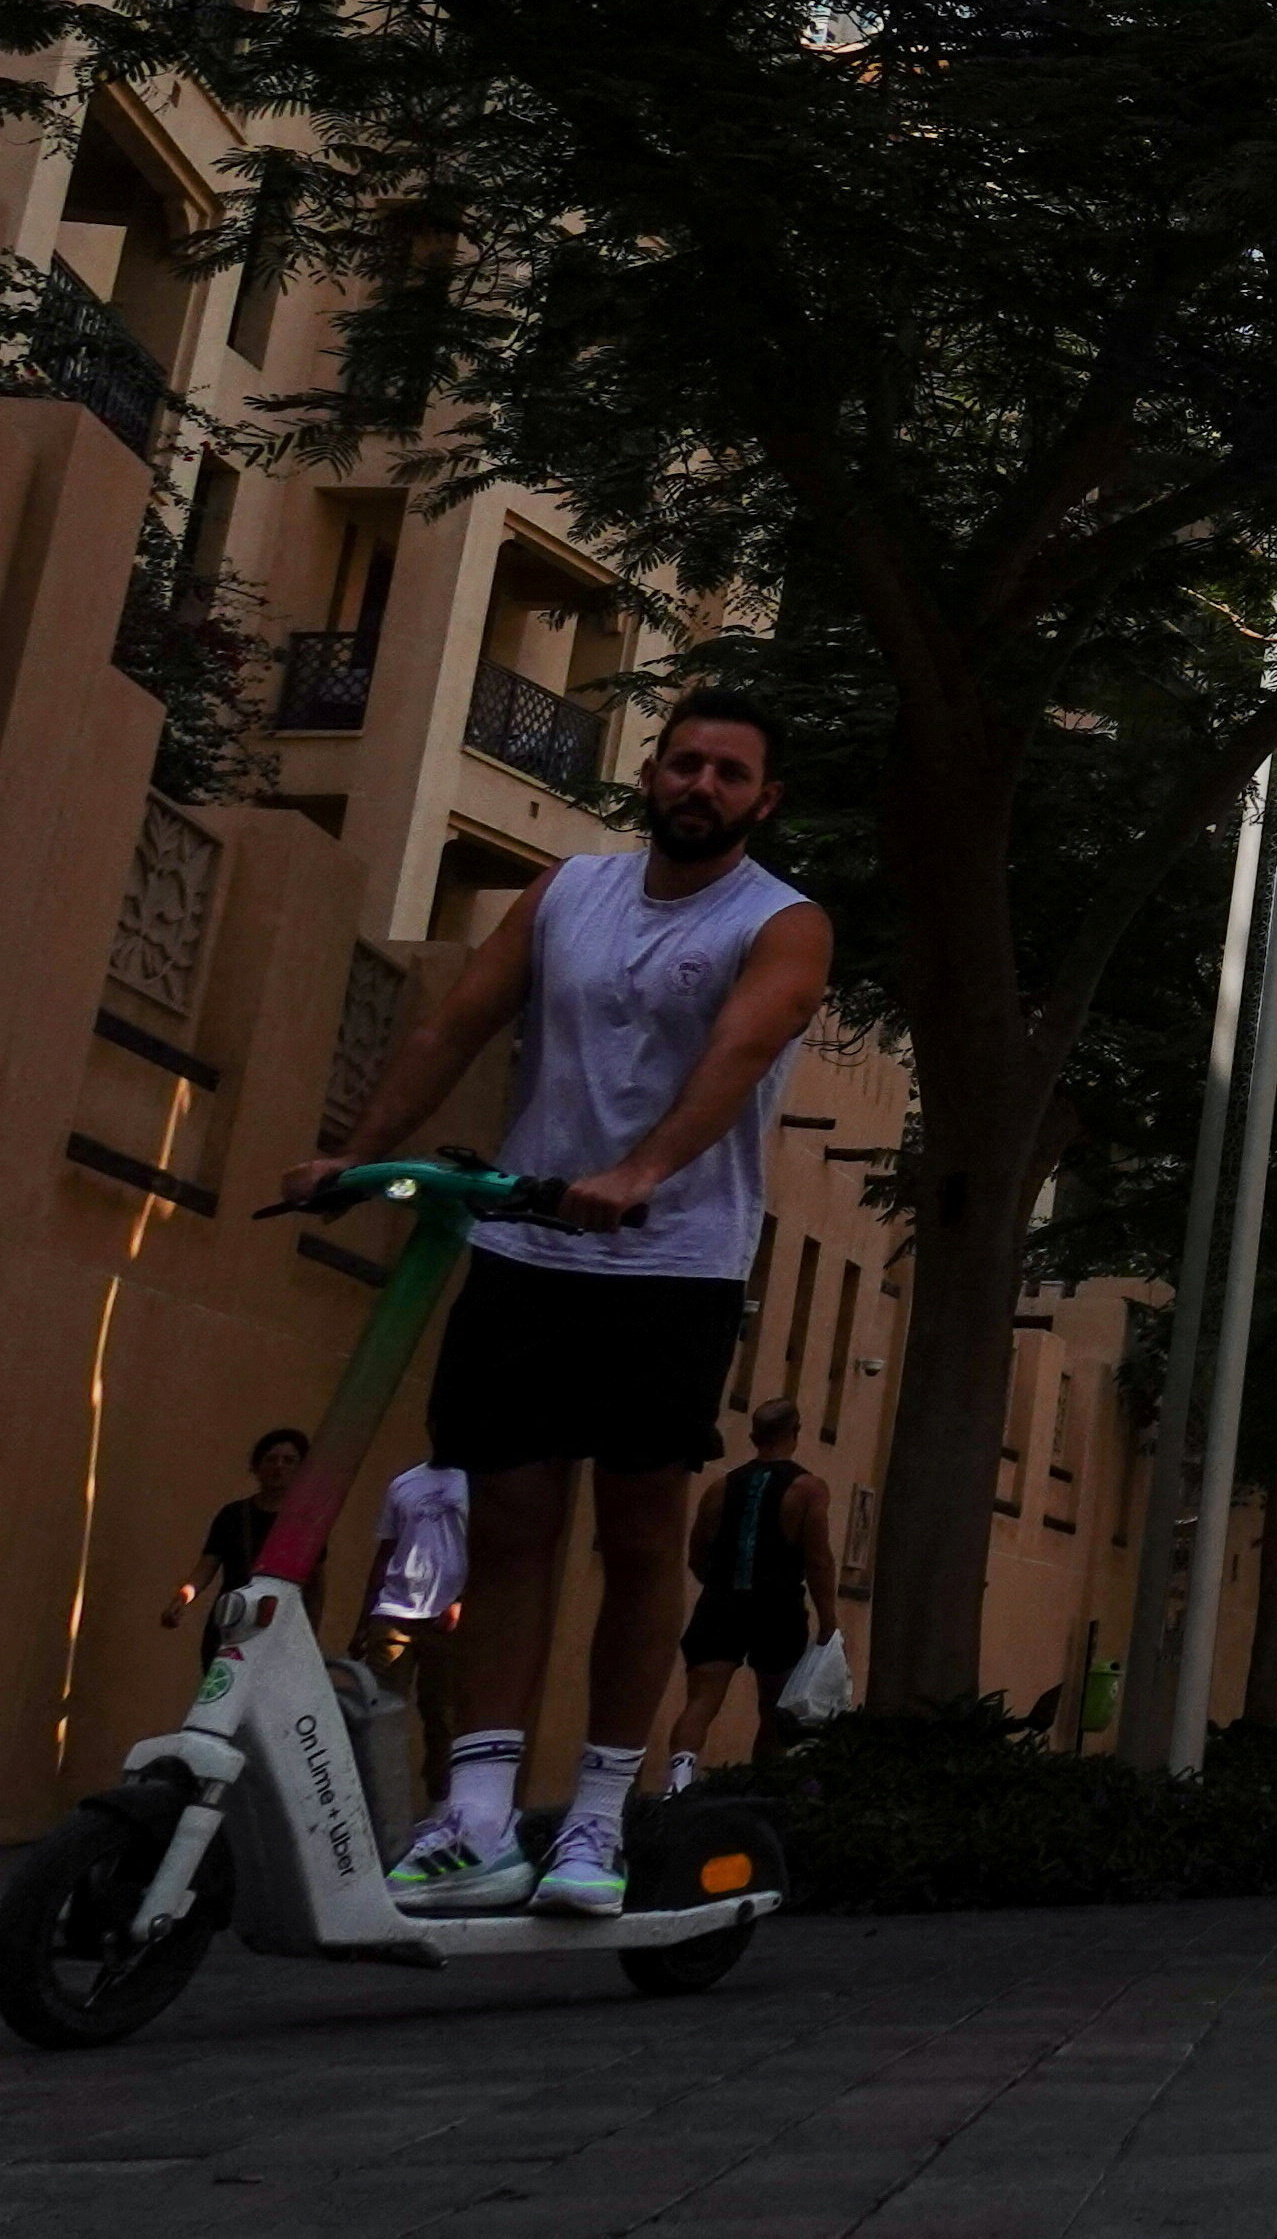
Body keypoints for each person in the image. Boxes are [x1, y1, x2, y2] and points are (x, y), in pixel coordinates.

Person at [295, 692, 831, 1918]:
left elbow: (742, 1052)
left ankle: (597, 1813)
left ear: (763, 799)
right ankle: (479, 1812)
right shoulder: (565, 893)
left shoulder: (781, 922)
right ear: (650, 772)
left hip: (671, 1263)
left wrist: (641, 1172)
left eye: (729, 772)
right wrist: (352, 1154)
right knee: (510, 1527)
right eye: (684, 762)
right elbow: (453, 1025)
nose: (700, 785)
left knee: (638, 1539)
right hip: (524, 1247)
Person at [657, 1398, 832, 1790]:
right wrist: (828, 1621)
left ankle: (678, 1783)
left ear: (753, 1437)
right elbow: (818, 1560)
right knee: (774, 1709)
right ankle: (763, 1786)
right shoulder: (808, 1490)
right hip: (778, 1607)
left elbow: (697, 1553)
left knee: (700, 1702)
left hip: (721, 1603)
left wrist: (718, 1583)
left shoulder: (720, 1487)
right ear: (796, 1433)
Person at [170, 1428, 321, 1627]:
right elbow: (205, 1568)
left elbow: (315, 1583)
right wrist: (182, 1599)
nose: (278, 1466)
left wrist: (311, 1630)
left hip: (280, 1626)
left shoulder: (305, 1522)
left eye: (288, 1461)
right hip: (232, 1620)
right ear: (257, 1466)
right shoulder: (232, 1515)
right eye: (271, 1459)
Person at [358, 1455, 469, 1683]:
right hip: (395, 1612)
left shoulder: (477, 1484)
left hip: (448, 1620)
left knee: (441, 1702)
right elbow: (386, 1551)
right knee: (381, 1698)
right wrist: (365, 1619)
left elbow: (489, 1551)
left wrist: (462, 1600)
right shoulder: (404, 1483)